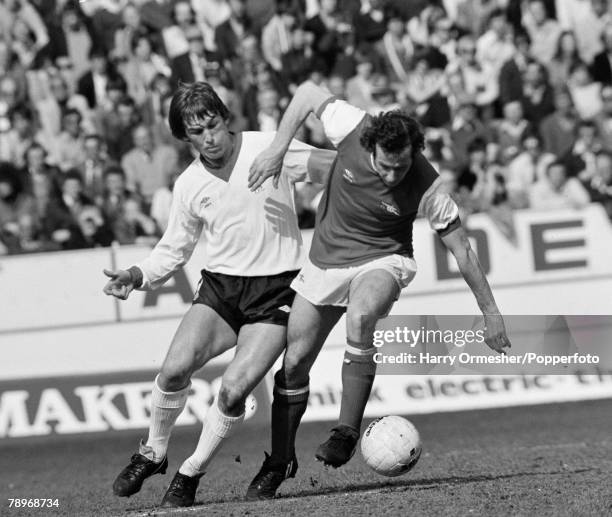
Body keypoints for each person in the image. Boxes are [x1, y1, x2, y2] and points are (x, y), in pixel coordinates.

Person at [245, 81, 511, 499]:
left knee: (361, 315)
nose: (391, 175)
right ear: (371, 147)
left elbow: (462, 250)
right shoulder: (352, 125)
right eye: (384, 166)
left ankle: (347, 431)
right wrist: (280, 146)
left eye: (400, 168)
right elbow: (306, 93)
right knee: (294, 362)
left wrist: (491, 312)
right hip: (324, 262)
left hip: (384, 259)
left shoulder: (429, 186)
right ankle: (280, 461)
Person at [103, 82, 335, 508]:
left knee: (231, 392)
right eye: (197, 132)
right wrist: (137, 274)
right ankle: (153, 452)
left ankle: (190, 472)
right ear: (184, 137)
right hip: (221, 290)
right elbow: (175, 246)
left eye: (212, 124)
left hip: (275, 292)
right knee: (173, 371)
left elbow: (332, 165)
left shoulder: (270, 147)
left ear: (225, 118)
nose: (209, 137)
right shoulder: (189, 184)